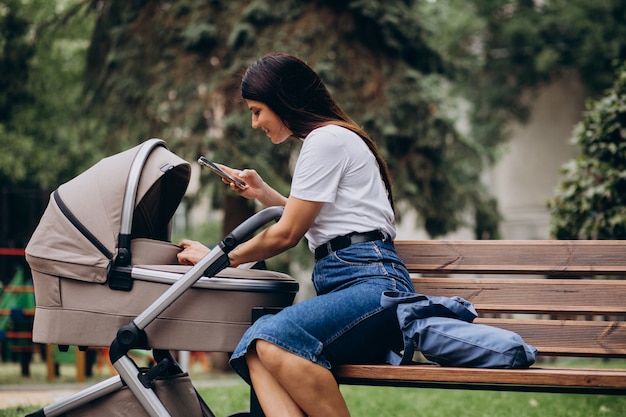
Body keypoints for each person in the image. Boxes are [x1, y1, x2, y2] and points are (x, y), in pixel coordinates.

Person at [177, 52, 415, 417]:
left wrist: (216, 259)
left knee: (272, 337)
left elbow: (286, 233)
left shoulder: (326, 140)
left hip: (373, 290)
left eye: (257, 110)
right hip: (358, 287)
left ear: (283, 100)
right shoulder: (330, 140)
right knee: (257, 346)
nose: (255, 122)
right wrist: (263, 194)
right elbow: (321, 221)